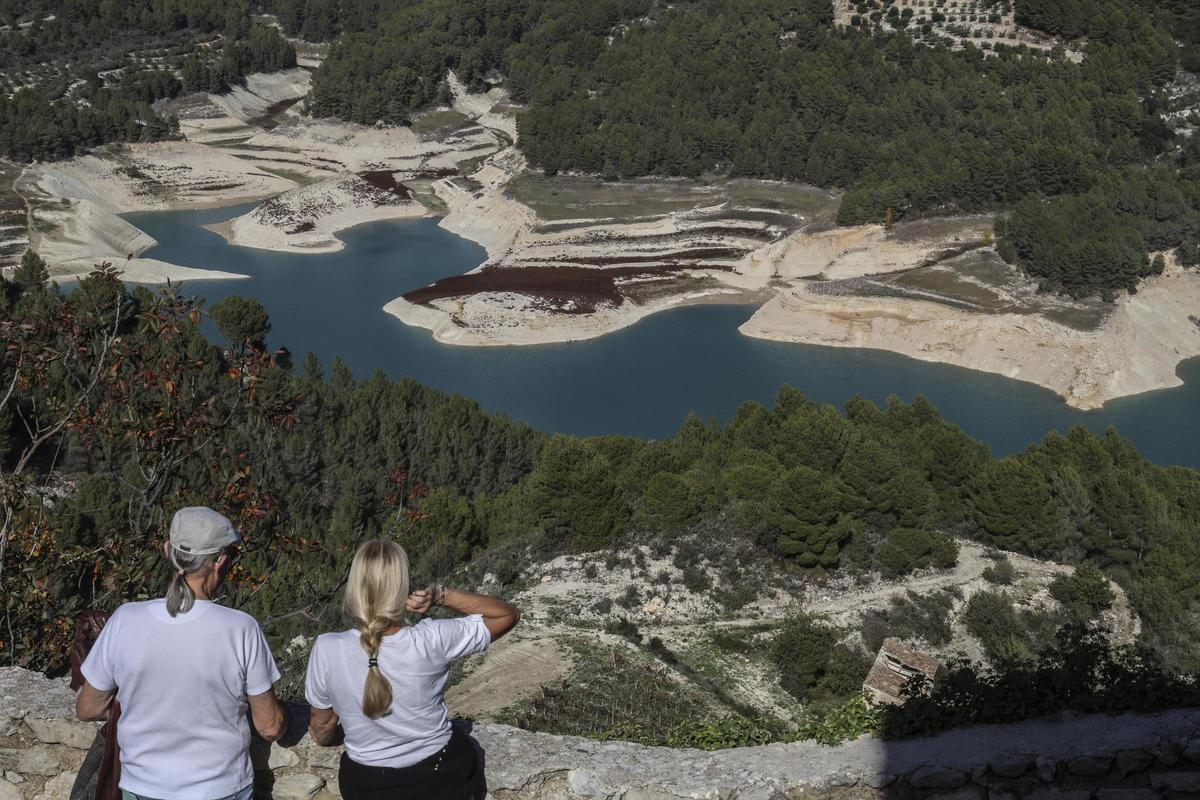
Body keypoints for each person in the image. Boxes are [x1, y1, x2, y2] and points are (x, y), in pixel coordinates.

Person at [75, 507, 286, 800]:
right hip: (220, 787)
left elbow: (87, 708)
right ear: (219, 562)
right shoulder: (241, 628)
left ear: (166, 551)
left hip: (142, 786)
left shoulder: (125, 620)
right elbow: (270, 726)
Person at [305, 539, 520, 800]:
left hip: (366, 784)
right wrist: (441, 595)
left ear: (356, 587)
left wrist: (326, 737)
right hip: (439, 776)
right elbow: (507, 615)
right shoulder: (432, 638)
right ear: (402, 587)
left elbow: (323, 725)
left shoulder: (327, 648)